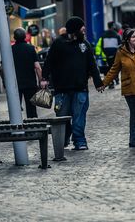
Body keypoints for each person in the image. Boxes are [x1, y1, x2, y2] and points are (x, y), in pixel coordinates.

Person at [42, 17, 103, 150]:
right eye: (82, 29)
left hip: (80, 88)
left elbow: (92, 65)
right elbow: (49, 61)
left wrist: (98, 83)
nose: (84, 31)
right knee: (62, 117)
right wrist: (44, 78)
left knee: (79, 117)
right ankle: (63, 138)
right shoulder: (58, 43)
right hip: (61, 89)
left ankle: (80, 141)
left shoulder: (85, 44)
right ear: (75, 30)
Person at [12, 28, 43, 119]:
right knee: (31, 109)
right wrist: (41, 80)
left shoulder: (11, 50)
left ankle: (17, 127)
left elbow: (2, 68)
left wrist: (5, 81)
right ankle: (33, 127)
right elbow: (37, 66)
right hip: (30, 83)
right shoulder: (30, 48)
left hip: (15, 84)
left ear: (14, 37)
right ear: (25, 37)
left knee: (15, 108)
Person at [95, 21, 122, 89]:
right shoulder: (116, 35)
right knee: (115, 68)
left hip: (107, 55)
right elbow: (120, 45)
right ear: (113, 26)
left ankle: (111, 82)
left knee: (108, 69)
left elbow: (102, 46)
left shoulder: (104, 35)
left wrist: (105, 53)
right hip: (115, 55)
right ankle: (116, 79)